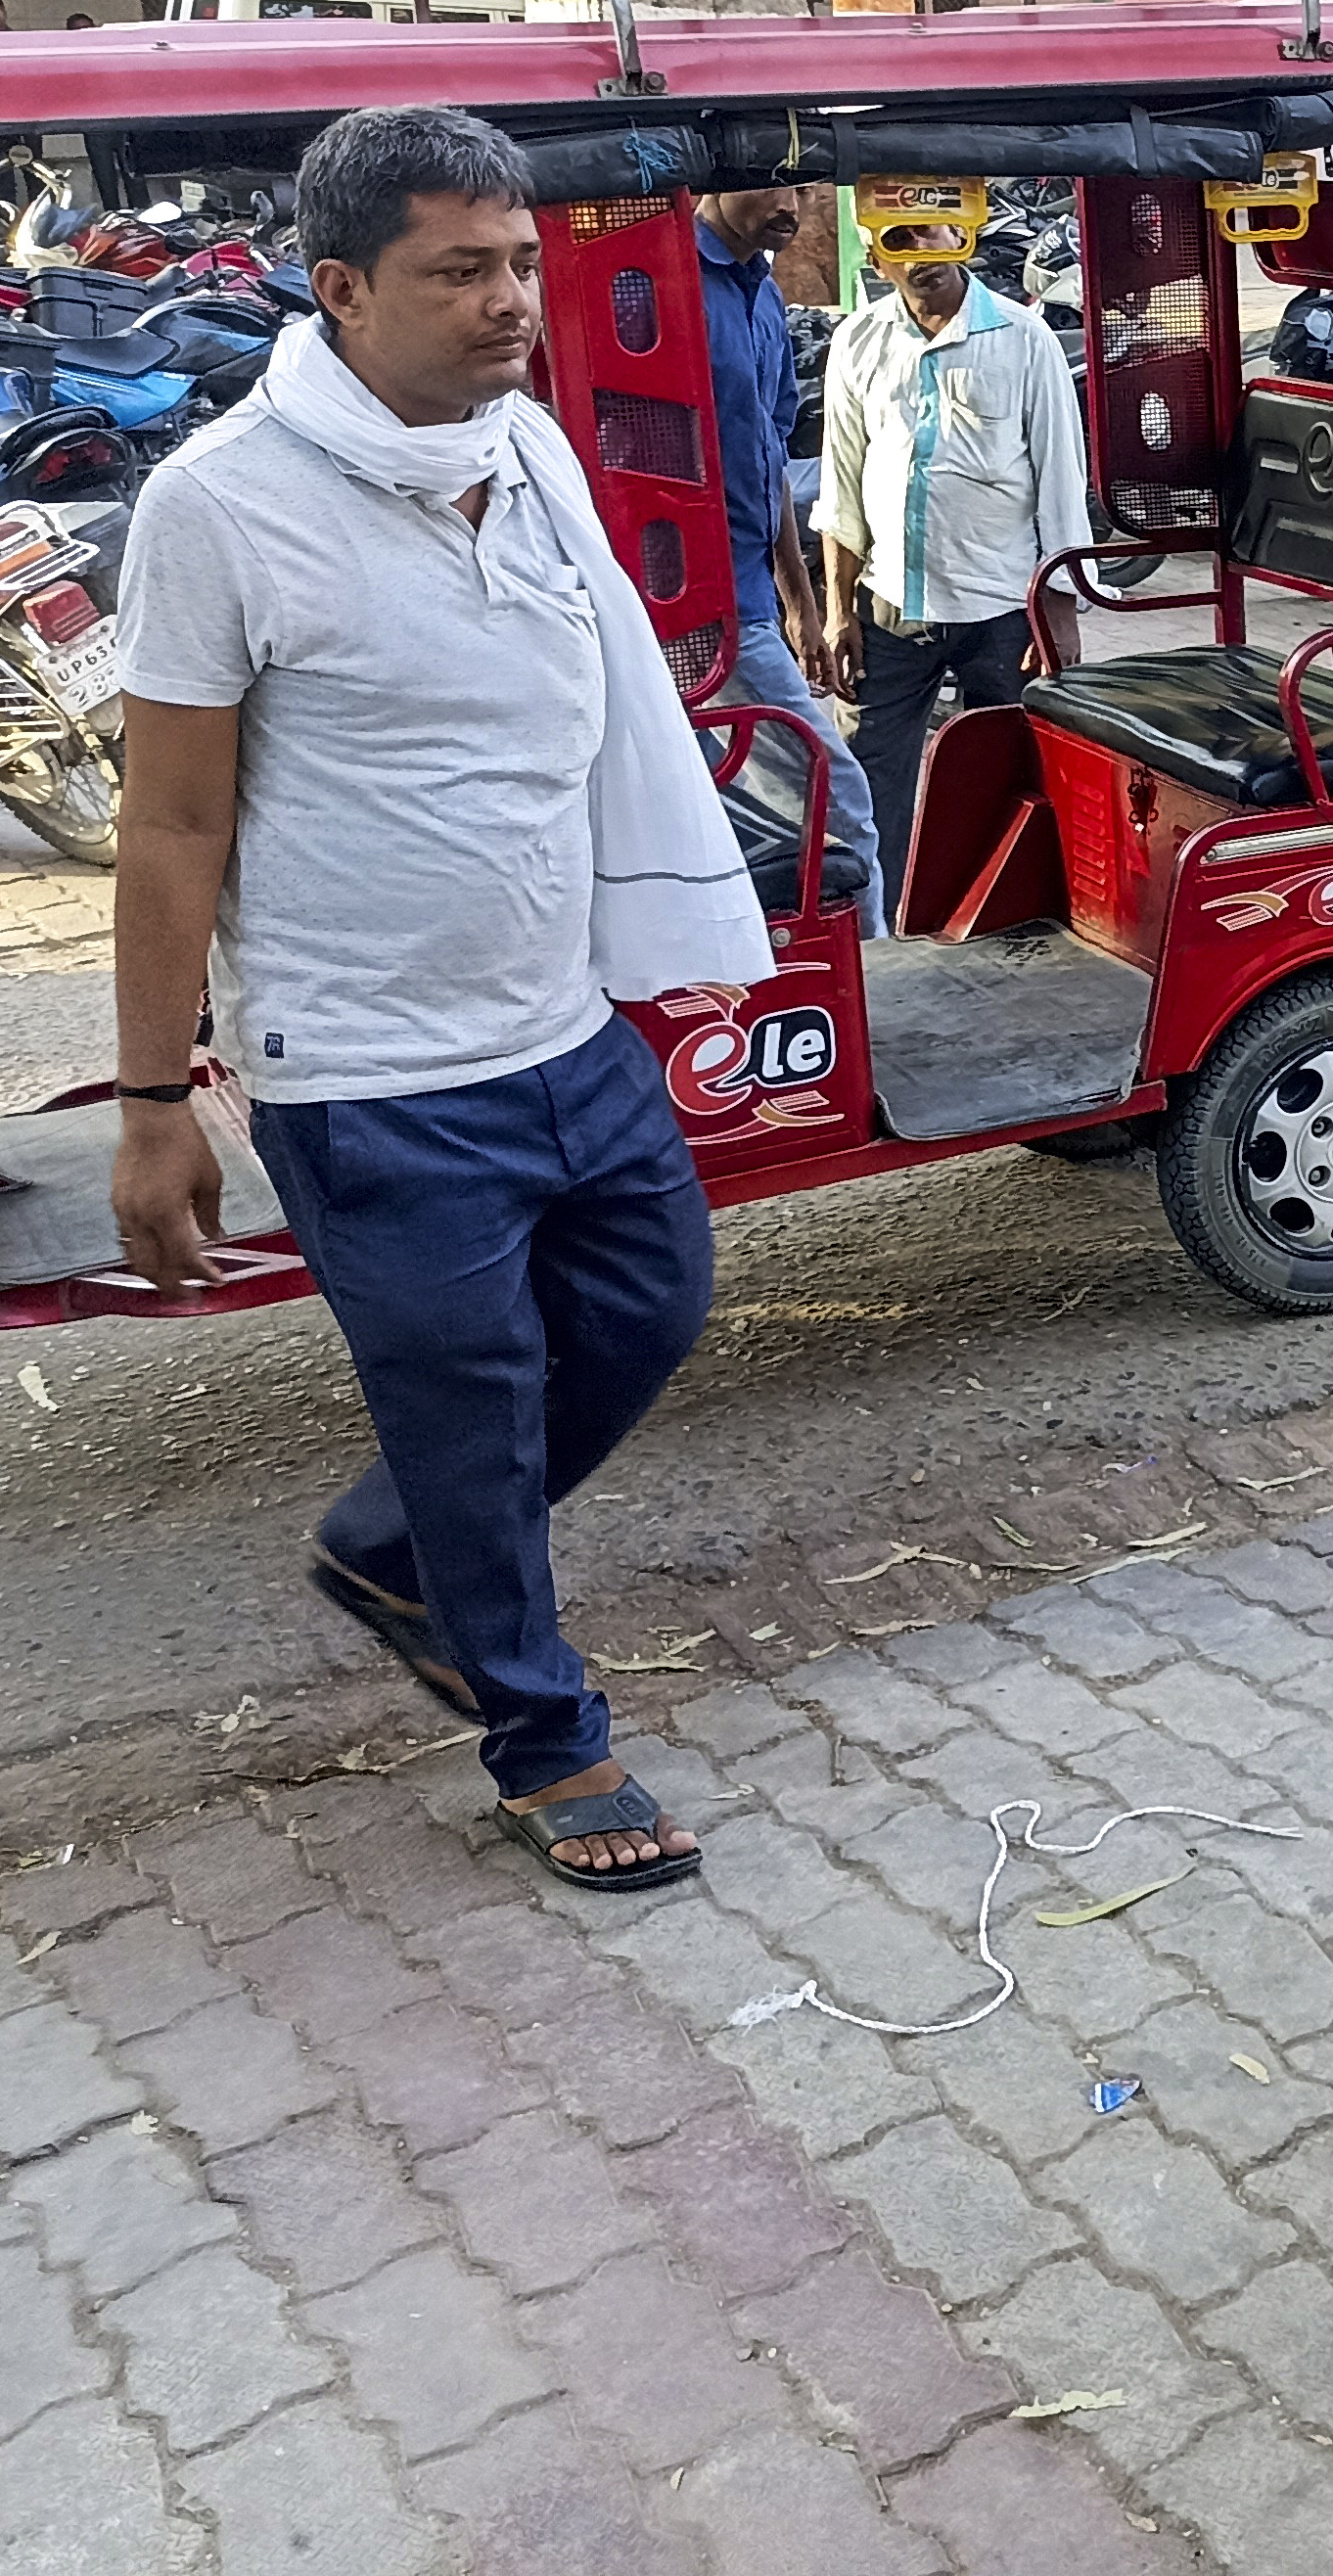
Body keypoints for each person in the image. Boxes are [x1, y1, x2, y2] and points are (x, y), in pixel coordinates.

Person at [109, 104, 776, 1893]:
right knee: (469, 1402)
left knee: (650, 1302)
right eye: (458, 271)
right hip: (370, 1073)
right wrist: (150, 1098)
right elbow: (170, 824)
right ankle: (544, 1736)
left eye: (519, 263)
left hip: (565, 1023)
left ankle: (402, 1553)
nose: (510, 304)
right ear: (339, 289)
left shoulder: (527, 447)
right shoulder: (217, 509)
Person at [814, 238, 1090, 866]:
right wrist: (837, 609)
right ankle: (874, 929)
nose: (920, 254)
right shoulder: (858, 340)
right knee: (867, 781)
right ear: (873, 255)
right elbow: (842, 485)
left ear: (962, 234)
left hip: (1002, 611)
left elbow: (1060, 479)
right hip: (889, 609)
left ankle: (992, 926)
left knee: (1006, 780)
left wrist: (1061, 609)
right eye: (899, 241)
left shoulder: (1026, 339)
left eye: (934, 232)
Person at [696, 183, 883, 930]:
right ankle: (871, 989)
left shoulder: (761, 293)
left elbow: (768, 458)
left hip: (752, 602)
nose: (795, 205)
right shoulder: (666, 285)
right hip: (695, 609)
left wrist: (801, 603)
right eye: (775, 183)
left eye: (807, 188)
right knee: (839, 800)